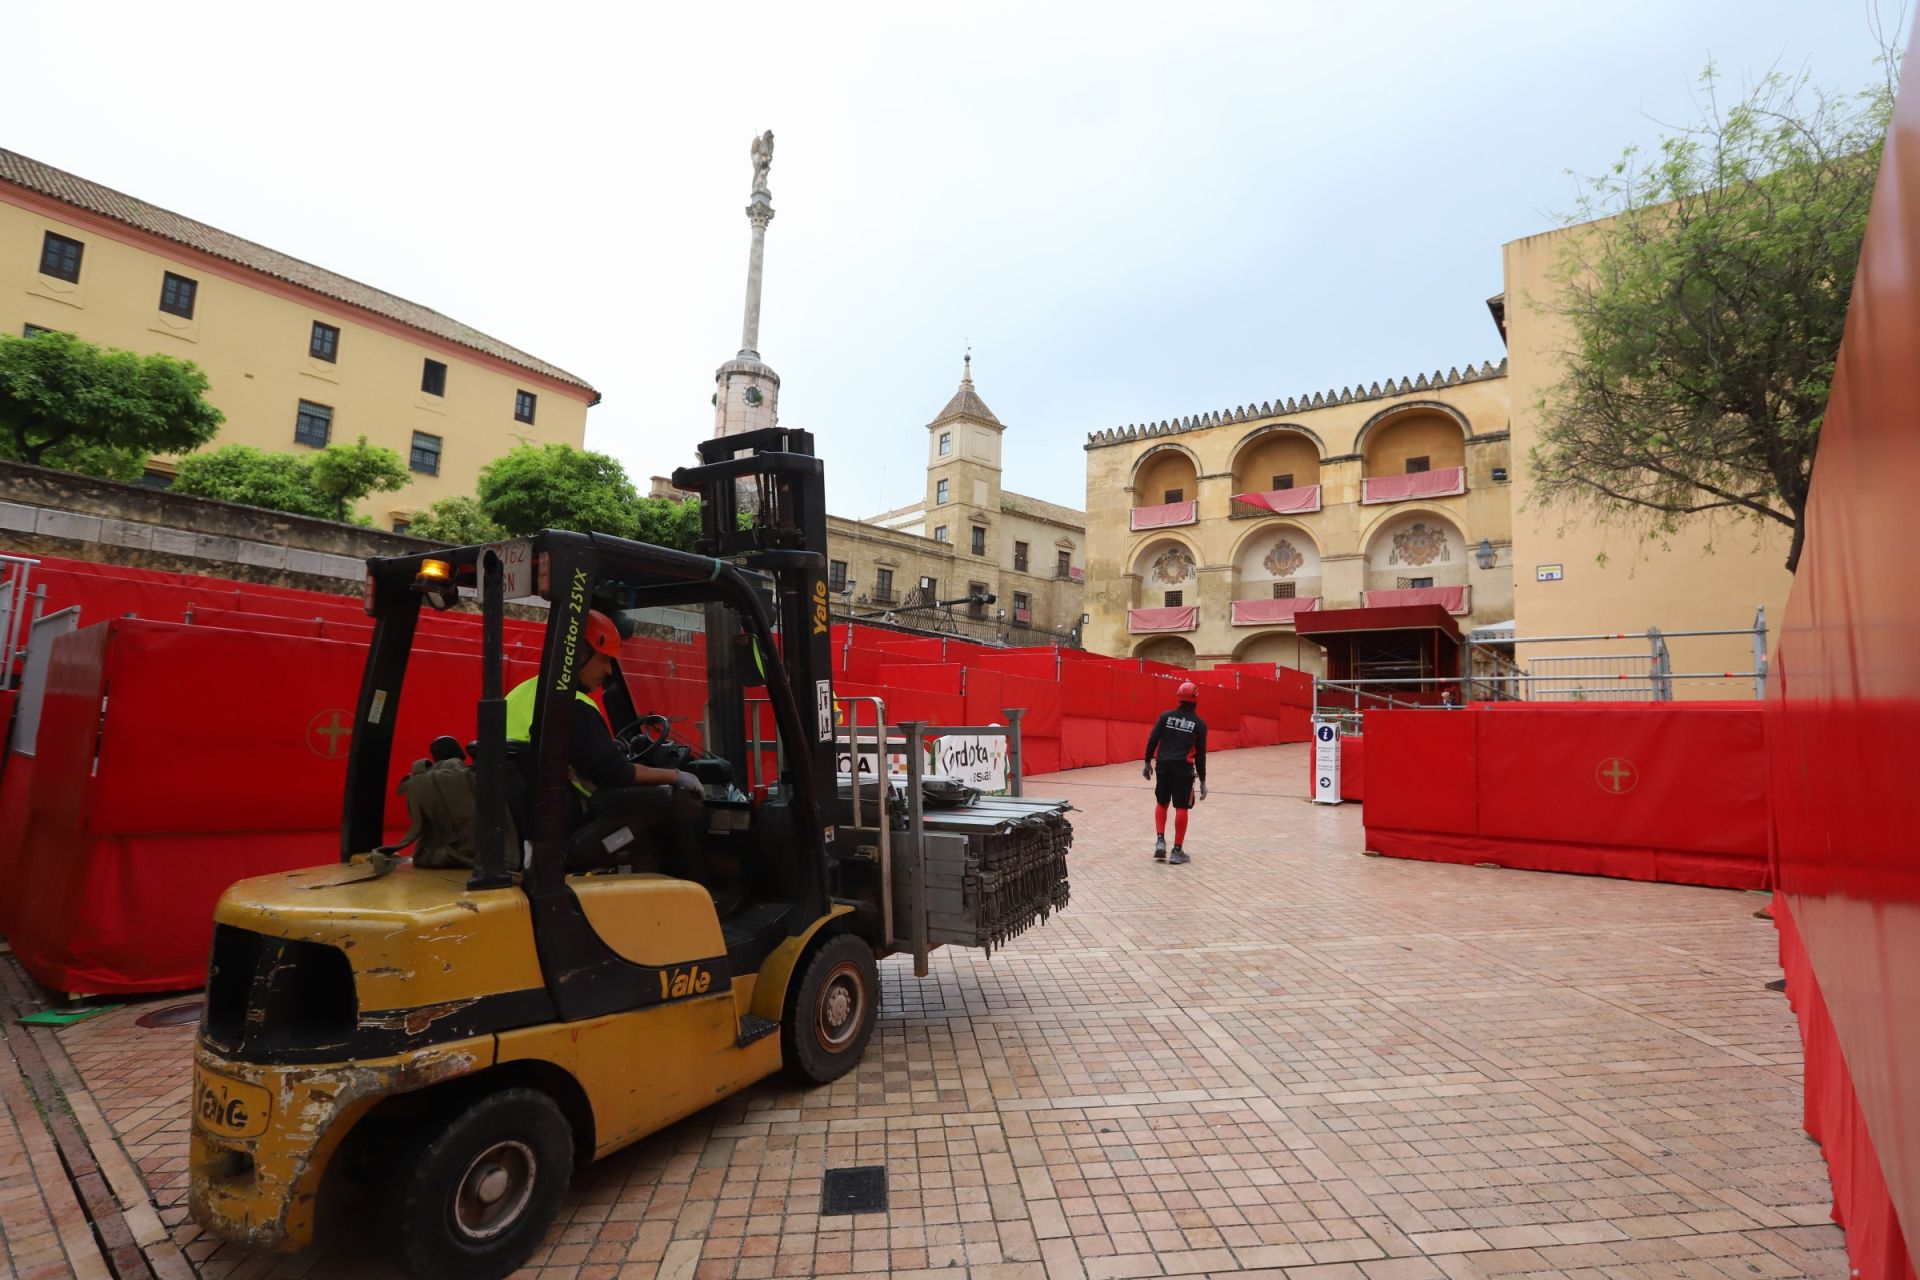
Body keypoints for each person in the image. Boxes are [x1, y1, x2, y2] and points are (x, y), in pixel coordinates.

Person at [505, 609, 708, 879]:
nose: (609, 670)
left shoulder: (524, 692)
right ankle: (698, 890)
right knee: (673, 803)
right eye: (603, 659)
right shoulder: (574, 706)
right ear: (578, 655)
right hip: (566, 815)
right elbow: (617, 773)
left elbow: (585, 755)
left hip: (524, 814)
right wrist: (677, 776)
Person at [1143, 681, 1208, 866]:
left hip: (1163, 766)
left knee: (1162, 802)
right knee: (1181, 807)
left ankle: (1160, 839)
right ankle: (1177, 851)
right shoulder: (1199, 724)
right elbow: (1200, 755)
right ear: (1195, 699)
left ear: (1178, 696)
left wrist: (1147, 762)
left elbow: (1153, 739)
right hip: (1183, 768)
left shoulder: (1166, 716)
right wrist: (1203, 780)